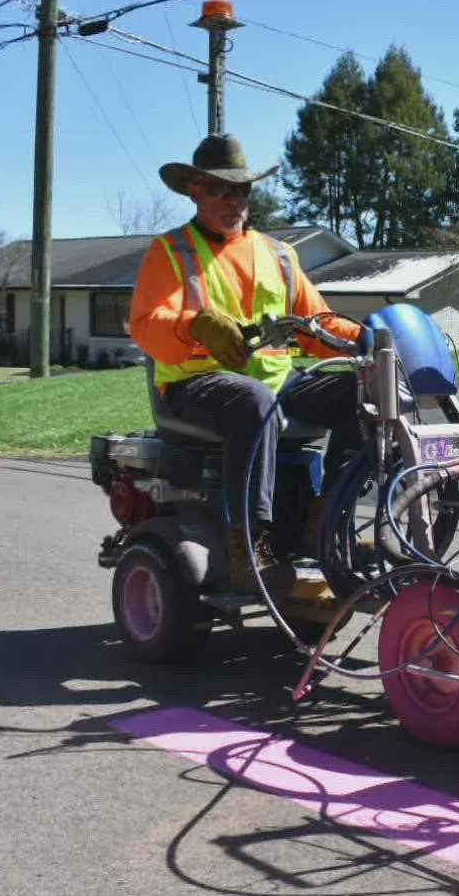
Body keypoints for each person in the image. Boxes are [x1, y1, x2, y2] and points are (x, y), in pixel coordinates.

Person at [127, 134, 368, 595]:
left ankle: (328, 523)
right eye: (221, 189)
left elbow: (315, 323)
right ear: (194, 190)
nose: (234, 199)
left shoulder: (278, 254)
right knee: (254, 400)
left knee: (364, 392)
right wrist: (196, 324)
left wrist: (367, 338)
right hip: (193, 387)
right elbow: (145, 324)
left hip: (275, 385)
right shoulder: (171, 252)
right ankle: (249, 545)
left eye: (242, 190)